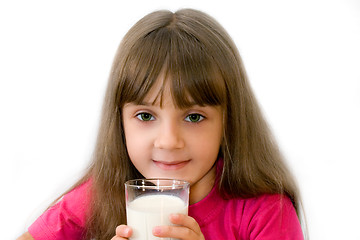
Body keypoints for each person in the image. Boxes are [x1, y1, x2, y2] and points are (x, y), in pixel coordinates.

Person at [17, 8, 305, 240]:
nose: (168, 141)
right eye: (145, 116)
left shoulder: (265, 213)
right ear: (120, 122)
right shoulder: (101, 194)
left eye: (193, 117)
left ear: (229, 121)